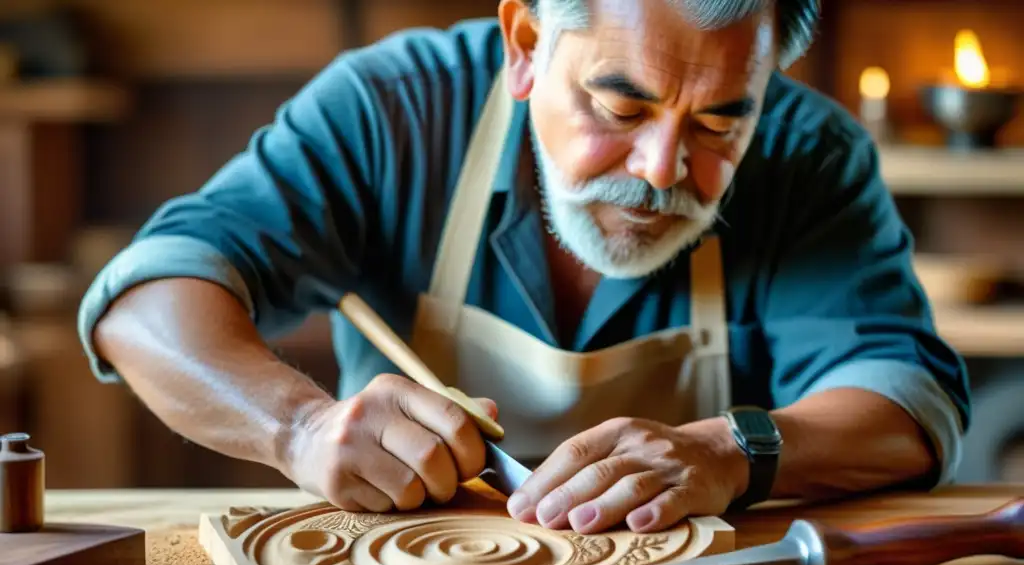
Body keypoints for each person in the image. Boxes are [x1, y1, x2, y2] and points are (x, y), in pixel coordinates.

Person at [78, 0, 970, 537]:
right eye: (620, 106)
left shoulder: (810, 155)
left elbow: (906, 401)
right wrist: (299, 430)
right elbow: (145, 298)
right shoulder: (394, 111)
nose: (662, 169)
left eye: (716, 125)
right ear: (526, 44)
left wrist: (727, 450)